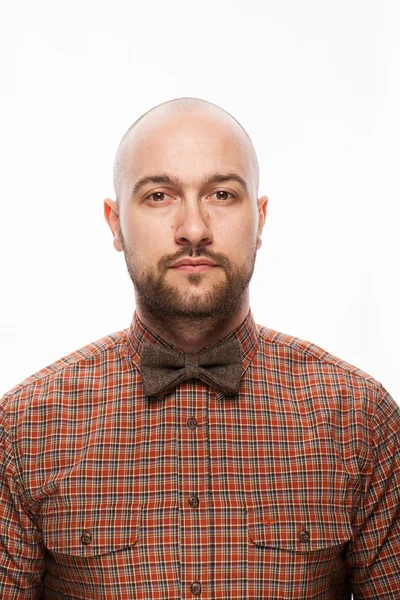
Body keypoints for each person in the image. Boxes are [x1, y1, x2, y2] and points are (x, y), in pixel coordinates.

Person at [0, 97, 399, 600]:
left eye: (222, 194)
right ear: (114, 223)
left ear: (261, 218)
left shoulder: (360, 418)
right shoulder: (23, 428)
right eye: (160, 195)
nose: (194, 229)